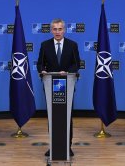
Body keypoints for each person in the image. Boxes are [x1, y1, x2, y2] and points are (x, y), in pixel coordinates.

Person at [37, 18, 80, 157]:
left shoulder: (72, 45)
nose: (57, 32)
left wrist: (68, 72)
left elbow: (76, 64)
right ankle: (54, 146)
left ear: (64, 30)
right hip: (51, 87)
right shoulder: (45, 45)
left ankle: (68, 146)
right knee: (52, 117)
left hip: (67, 85)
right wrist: (43, 71)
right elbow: (40, 64)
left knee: (67, 117)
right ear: (51, 30)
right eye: (54, 29)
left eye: (60, 29)